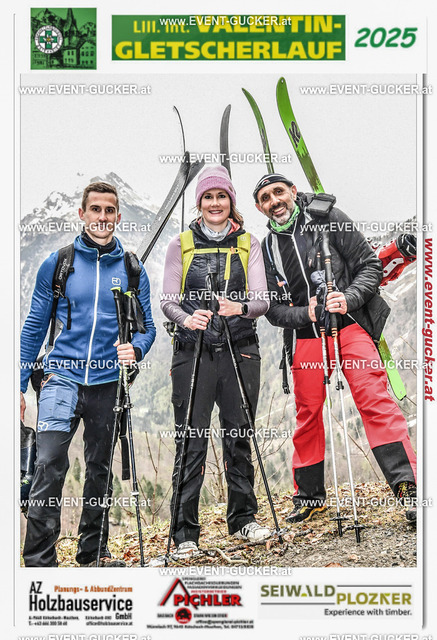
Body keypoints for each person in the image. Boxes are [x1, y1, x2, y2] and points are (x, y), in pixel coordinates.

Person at [253, 173, 417, 524]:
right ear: (259, 207)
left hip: (350, 325)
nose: (274, 201)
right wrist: (307, 313)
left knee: (374, 401)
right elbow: (274, 310)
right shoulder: (266, 249)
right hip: (307, 336)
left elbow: (370, 266)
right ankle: (309, 497)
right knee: (308, 413)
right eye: (265, 198)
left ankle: (409, 489)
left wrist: (350, 297)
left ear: (293, 192)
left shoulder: (329, 218)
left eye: (279, 192)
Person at [20, 181, 156, 567]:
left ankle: (93, 554)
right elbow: (33, 328)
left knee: (100, 470)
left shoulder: (132, 269)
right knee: (48, 463)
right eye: (95, 209)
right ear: (82, 214)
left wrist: (137, 349)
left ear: (117, 216)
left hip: (108, 382)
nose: (102, 216)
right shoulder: (58, 264)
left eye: (109, 210)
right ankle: (39, 564)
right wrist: (17, 387)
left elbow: (147, 328)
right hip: (60, 378)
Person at [161, 165, 270, 556]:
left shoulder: (249, 243)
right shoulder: (180, 245)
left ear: (231, 201)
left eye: (221, 196)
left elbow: (262, 300)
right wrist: (186, 319)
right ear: (199, 203)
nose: (215, 203)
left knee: (238, 435)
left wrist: (239, 307)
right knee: (191, 439)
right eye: (208, 197)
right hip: (193, 351)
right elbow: (167, 300)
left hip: (240, 349)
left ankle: (243, 520)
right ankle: (184, 534)